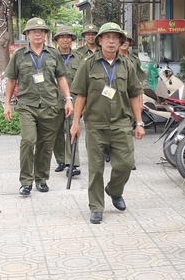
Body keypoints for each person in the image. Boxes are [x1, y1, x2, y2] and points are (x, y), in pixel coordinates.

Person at [70, 22, 145, 224]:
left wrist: (139, 122)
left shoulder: (127, 65)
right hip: (95, 125)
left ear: (121, 41)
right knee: (95, 169)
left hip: (121, 124)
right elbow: (81, 95)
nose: (111, 41)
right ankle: (96, 207)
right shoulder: (88, 64)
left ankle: (114, 190)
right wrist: (75, 123)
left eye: (115, 37)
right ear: (100, 40)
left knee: (126, 164)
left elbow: (135, 94)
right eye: (107, 37)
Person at [3, 17, 74, 196]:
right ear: (27, 34)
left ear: (45, 35)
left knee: (45, 145)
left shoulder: (53, 54)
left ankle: (41, 179)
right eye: (34, 31)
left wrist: (68, 99)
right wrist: (7, 104)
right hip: (27, 105)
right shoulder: (19, 55)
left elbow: (61, 78)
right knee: (28, 140)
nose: (38, 34)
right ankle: (26, 181)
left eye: (41, 31)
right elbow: (11, 80)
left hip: (50, 105)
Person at [52, 26, 82, 176]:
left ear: (72, 40)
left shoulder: (79, 58)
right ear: (57, 39)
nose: (65, 39)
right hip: (53, 99)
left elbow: (84, 81)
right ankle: (61, 160)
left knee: (72, 129)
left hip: (74, 99)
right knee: (56, 132)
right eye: (62, 37)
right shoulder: (50, 56)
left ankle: (73, 164)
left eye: (68, 37)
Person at [118, 30, 147, 170]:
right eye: (123, 41)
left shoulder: (134, 59)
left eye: (127, 41)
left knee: (128, 129)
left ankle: (129, 159)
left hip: (131, 99)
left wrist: (140, 102)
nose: (125, 43)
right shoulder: (111, 58)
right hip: (116, 99)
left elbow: (138, 84)